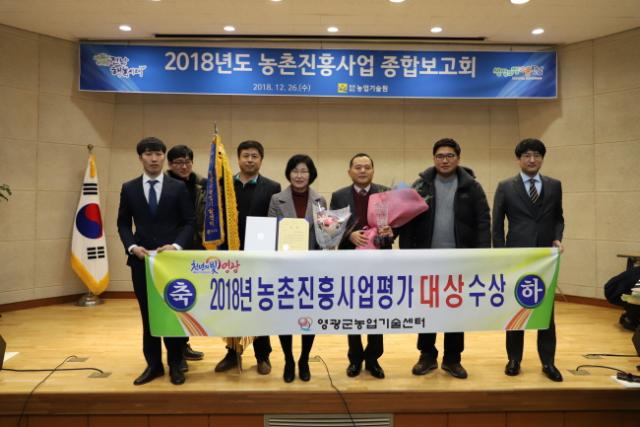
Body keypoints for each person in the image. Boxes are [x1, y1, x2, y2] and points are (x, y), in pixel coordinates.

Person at [399, 138, 490, 379]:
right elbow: (407, 222)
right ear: (434, 158)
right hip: (427, 260)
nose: (445, 160)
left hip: (460, 260)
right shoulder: (420, 186)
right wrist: (407, 255)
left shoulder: (472, 187)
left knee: (455, 310)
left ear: (458, 158)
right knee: (427, 308)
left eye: (450, 156)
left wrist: (483, 255)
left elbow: (483, 222)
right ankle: (427, 355)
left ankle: (453, 358)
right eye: (440, 156)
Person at [117, 137, 195, 385]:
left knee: (173, 313)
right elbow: (123, 223)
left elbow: (189, 222)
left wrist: (176, 246)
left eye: (158, 154)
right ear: (140, 158)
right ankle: (153, 365)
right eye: (148, 154)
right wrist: (132, 247)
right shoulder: (129, 188)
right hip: (141, 262)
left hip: (171, 262)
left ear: (164, 157)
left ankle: (176, 364)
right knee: (148, 315)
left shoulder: (178, 187)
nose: (154, 159)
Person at [492, 138, 565, 382]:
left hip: (545, 257)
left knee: (547, 311)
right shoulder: (505, 186)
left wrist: (557, 238)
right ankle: (514, 359)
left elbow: (558, 218)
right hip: (517, 256)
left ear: (542, 158)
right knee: (516, 309)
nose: (532, 159)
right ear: (519, 159)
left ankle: (548, 362)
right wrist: (501, 254)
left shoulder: (554, 185)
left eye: (537, 155)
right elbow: (497, 224)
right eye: (526, 155)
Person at [214, 140, 281, 376]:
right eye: (246, 156)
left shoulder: (272, 187)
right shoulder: (223, 185)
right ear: (238, 158)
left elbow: (274, 221)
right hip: (229, 256)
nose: (250, 160)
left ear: (261, 160)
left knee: (260, 306)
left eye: (254, 156)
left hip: (258, 257)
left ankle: (263, 355)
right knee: (232, 306)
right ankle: (233, 353)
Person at [329, 153, 392, 379]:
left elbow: (394, 226)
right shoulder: (339, 196)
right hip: (350, 260)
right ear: (349, 171)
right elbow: (331, 228)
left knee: (377, 309)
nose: (363, 171)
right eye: (358, 167)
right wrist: (349, 235)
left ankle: (373, 358)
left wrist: (389, 232)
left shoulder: (385, 193)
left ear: (373, 170)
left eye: (367, 167)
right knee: (353, 309)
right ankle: (355, 358)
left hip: (379, 261)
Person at [268, 154, 326, 383]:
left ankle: (303, 359)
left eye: (304, 171)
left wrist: (329, 239)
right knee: (285, 316)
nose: (299, 176)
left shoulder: (320, 200)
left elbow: (323, 235)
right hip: (284, 268)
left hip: (310, 268)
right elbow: (272, 232)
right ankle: (289, 360)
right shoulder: (276, 199)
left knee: (308, 316)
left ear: (311, 175)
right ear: (288, 173)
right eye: (295, 171)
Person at [166, 145, 206, 364]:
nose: (183, 166)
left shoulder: (202, 184)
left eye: (187, 162)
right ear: (170, 164)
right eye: (178, 162)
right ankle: (176, 352)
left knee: (190, 301)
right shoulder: (164, 185)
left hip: (195, 248)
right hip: (170, 250)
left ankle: (184, 345)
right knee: (174, 301)